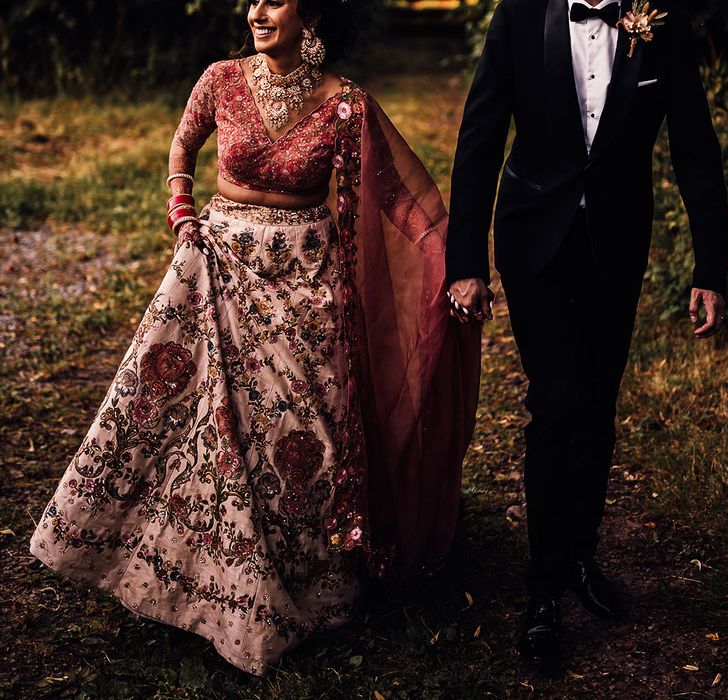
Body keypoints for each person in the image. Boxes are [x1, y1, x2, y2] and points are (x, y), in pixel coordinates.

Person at [29, 0, 480, 675]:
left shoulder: (346, 104)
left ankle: (291, 587)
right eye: (253, 0)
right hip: (214, 265)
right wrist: (183, 215)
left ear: (313, 14)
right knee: (181, 417)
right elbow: (183, 147)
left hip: (302, 283)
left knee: (301, 434)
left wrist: (456, 267)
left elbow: (399, 199)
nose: (257, 11)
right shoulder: (219, 78)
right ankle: (186, 578)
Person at [446, 0, 728, 673]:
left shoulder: (661, 19)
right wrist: (465, 264)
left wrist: (711, 269)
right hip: (532, 240)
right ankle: (542, 591)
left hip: (616, 244)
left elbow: (693, 143)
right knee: (558, 401)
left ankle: (581, 553)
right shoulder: (519, 16)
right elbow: (481, 133)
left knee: (598, 403)